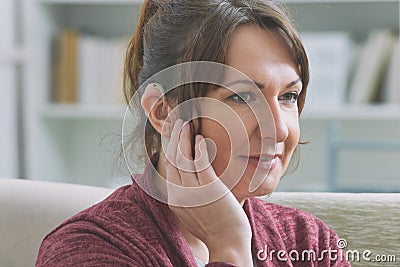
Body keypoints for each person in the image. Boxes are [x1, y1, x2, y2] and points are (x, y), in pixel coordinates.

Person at [36, 0, 351, 266]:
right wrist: (229, 245)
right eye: (240, 97)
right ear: (163, 111)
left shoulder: (307, 242)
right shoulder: (88, 251)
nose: (280, 130)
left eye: (288, 96)